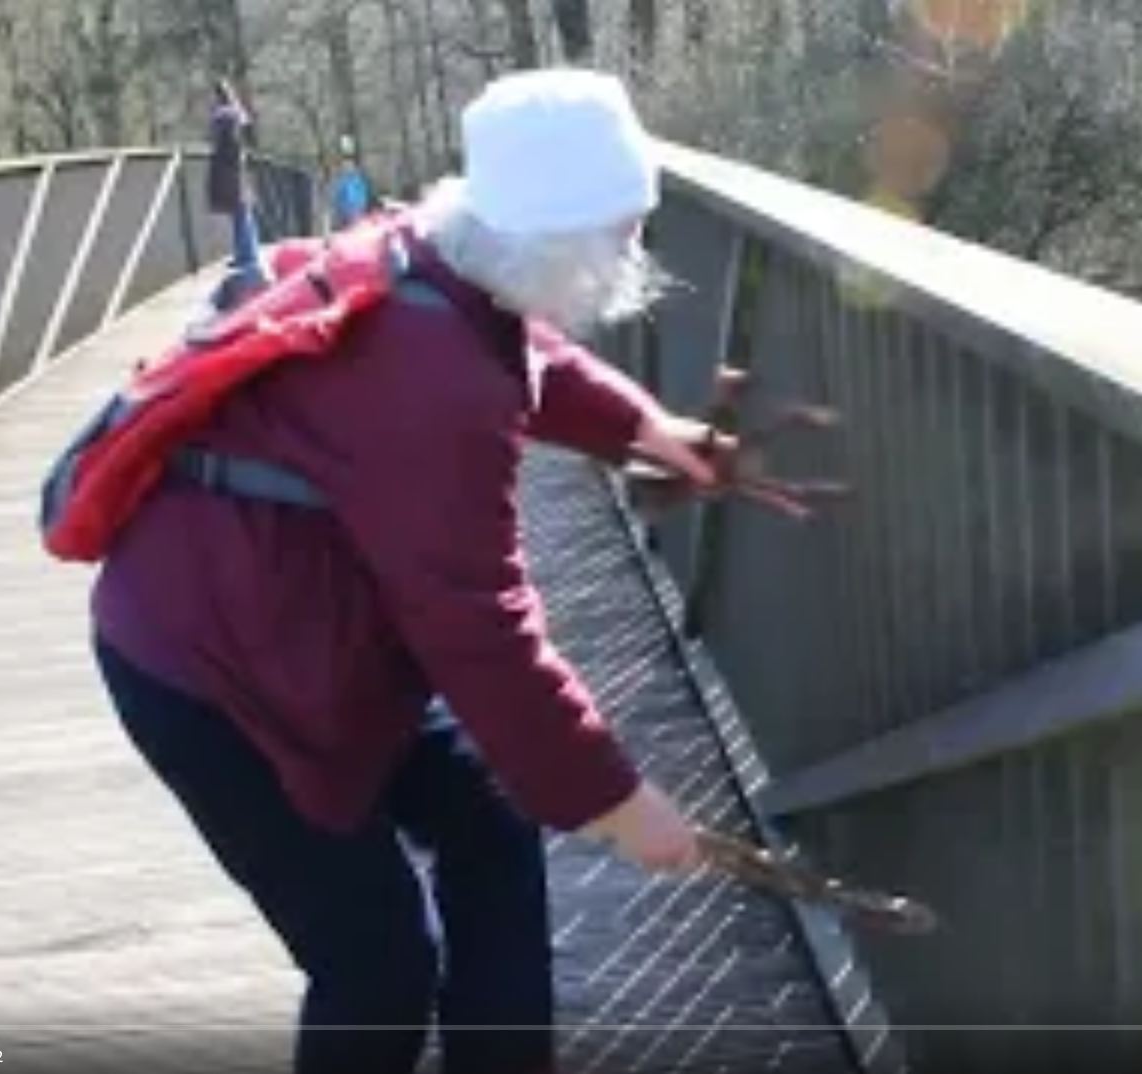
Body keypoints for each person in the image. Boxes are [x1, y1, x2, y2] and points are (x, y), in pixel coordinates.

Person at [90, 70, 718, 1074]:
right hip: (210, 674)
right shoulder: (435, 386)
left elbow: (530, 359)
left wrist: (645, 429)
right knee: (376, 964)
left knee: (494, 826)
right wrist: (614, 796)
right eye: (622, 232)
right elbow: (481, 629)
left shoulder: (433, 263)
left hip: (290, 624)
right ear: (555, 237)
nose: (631, 258)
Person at [205, 78, 271, 309]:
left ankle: (248, 254)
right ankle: (245, 253)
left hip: (229, 171)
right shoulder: (238, 114)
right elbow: (243, 140)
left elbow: (228, 144)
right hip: (237, 170)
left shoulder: (224, 116)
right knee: (241, 212)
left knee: (240, 213)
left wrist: (230, 159)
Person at [330, 135, 375, 230]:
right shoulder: (340, 181)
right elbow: (337, 199)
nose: (347, 165)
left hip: (358, 215)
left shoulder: (358, 180)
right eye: (344, 163)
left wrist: (360, 211)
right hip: (345, 216)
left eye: (349, 163)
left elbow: (363, 197)